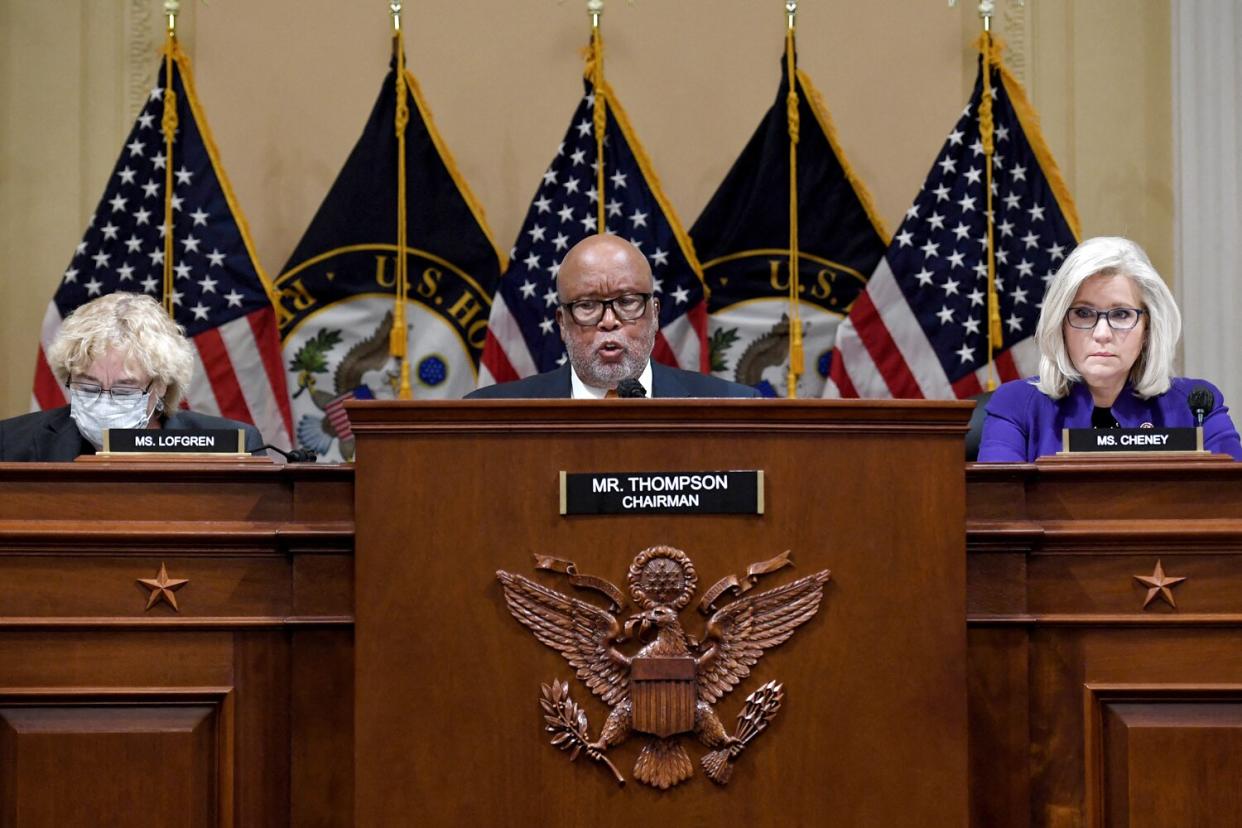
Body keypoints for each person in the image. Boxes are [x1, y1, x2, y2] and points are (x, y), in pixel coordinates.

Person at [977, 236, 1242, 461]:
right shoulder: (1016, 405)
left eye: (1121, 315)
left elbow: (1232, 499)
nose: (1102, 334)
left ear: (1148, 328)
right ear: (1061, 325)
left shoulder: (1195, 405)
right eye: (1083, 313)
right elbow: (999, 509)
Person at [467, 234, 760, 399]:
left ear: (655, 314)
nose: (609, 321)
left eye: (628, 302)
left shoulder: (731, 407)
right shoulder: (491, 412)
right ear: (562, 323)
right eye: (587, 306)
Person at [0, 292, 264, 461]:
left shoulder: (237, 446)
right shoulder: (10, 443)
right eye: (89, 388)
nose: (104, 403)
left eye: (125, 390)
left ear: (160, 385)